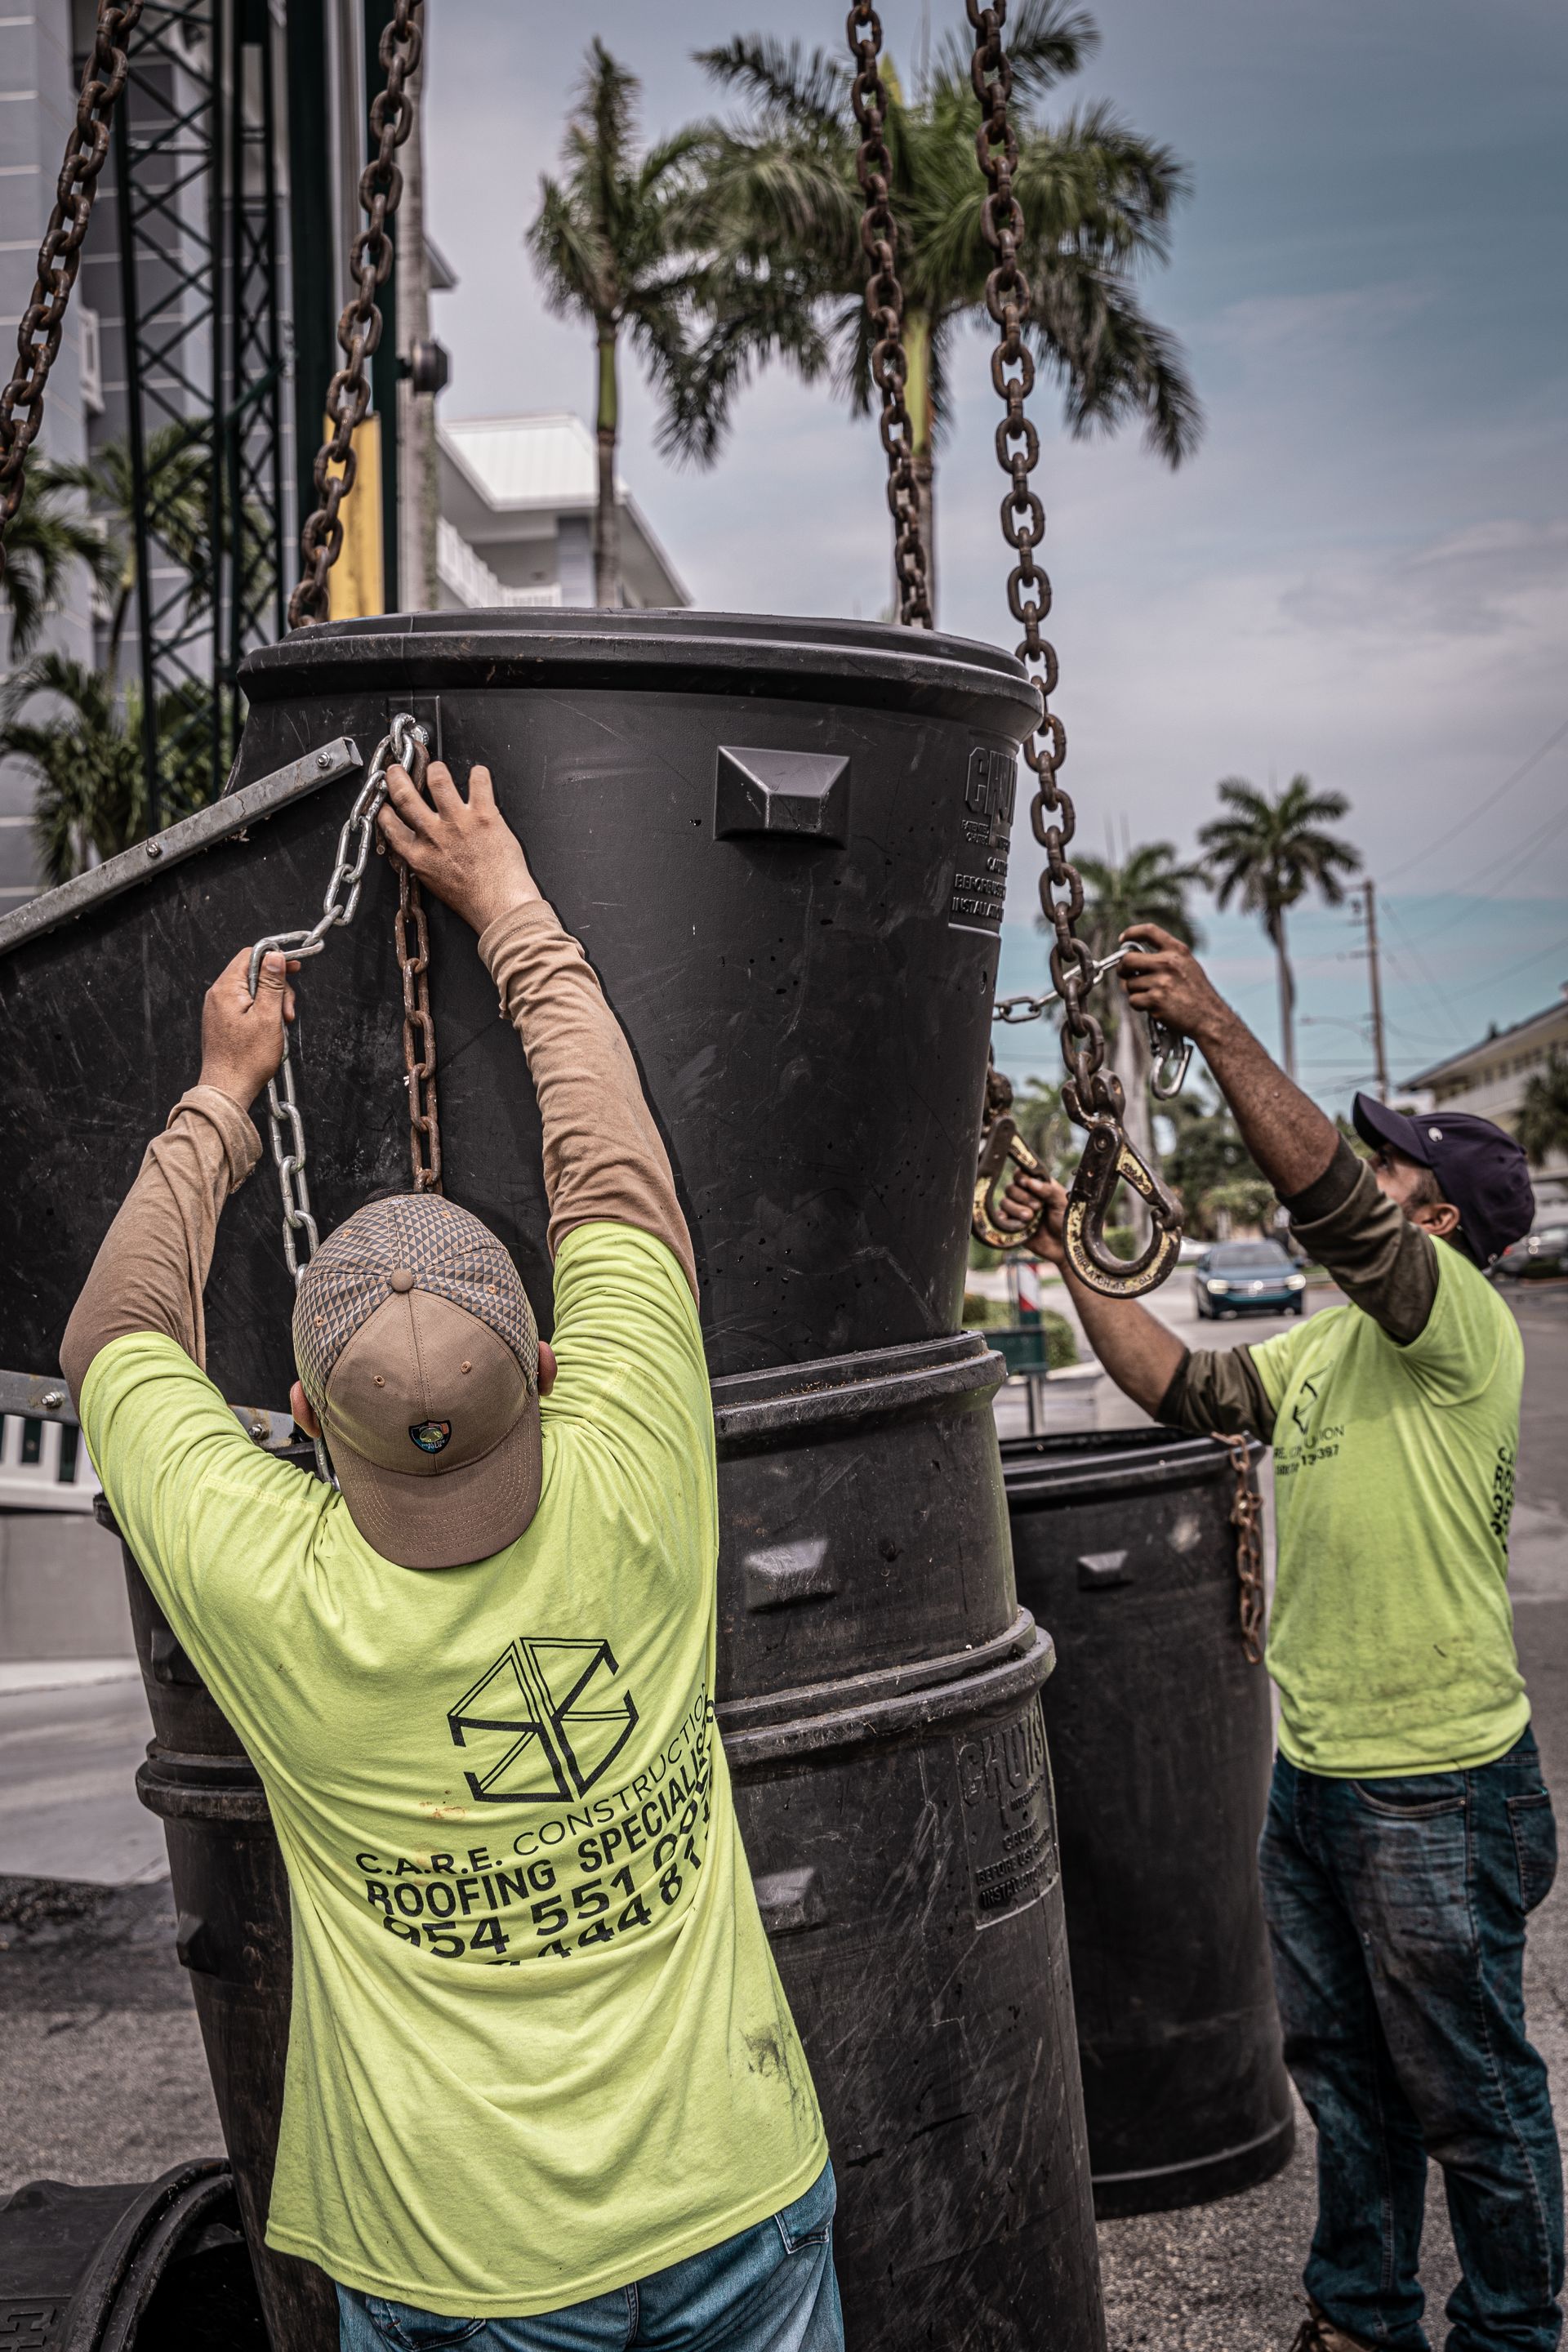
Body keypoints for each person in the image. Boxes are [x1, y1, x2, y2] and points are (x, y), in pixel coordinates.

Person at [62, 757, 842, 2352]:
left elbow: (116, 1333)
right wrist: (511, 906)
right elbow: (612, 1171)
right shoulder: (636, 1458)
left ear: (296, 1420)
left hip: (458, 2261)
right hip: (734, 2192)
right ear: (549, 1366)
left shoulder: (271, 1583)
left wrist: (220, 1096)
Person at [1002, 924, 1559, 2352]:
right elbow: (1177, 1387)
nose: (1370, 1181)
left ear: (1436, 1225)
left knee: (1471, 2091)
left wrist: (1217, 1020)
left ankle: (1509, 2329)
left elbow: (1333, 1211)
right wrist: (1074, 1249)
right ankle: (1361, 2315)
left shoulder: (1460, 1330)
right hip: (1316, 1783)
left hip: (1434, 1787)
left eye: (1396, 1172)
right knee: (1349, 2079)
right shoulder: (1326, 1351)